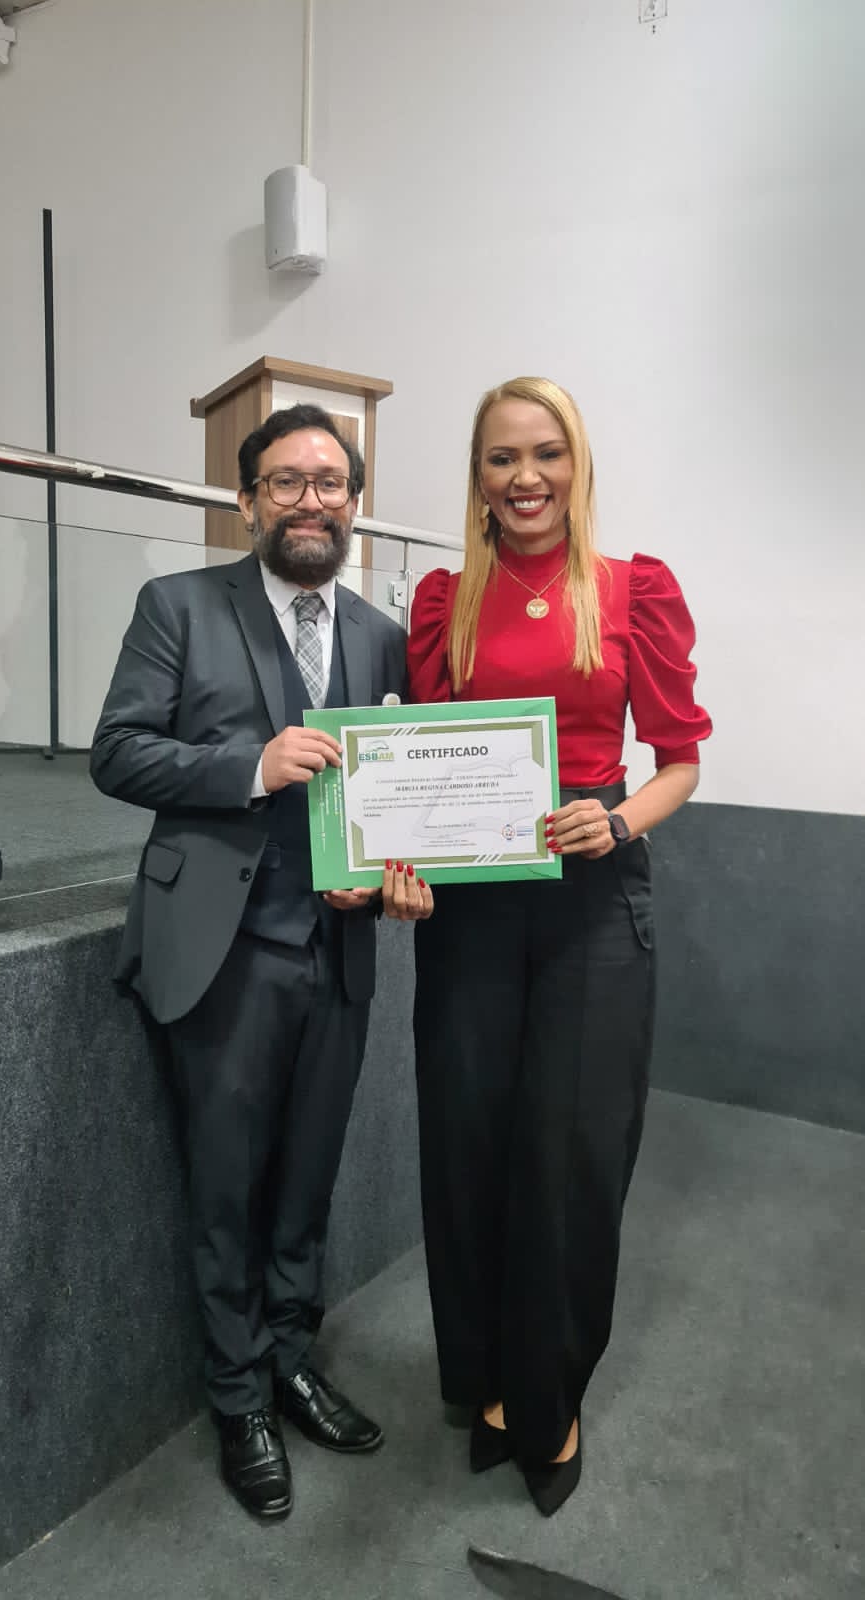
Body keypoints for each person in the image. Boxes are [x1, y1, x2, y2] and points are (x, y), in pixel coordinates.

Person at [91, 403, 431, 1521]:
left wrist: (392, 870)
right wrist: (250, 764)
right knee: (228, 1186)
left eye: (330, 483)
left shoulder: (382, 635)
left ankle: (291, 1357)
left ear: (354, 503)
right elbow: (117, 752)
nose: (309, 501)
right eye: (286, 482)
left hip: (339, 950)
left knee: (308, 1178)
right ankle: (238, 1398)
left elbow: (390, 789)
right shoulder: (179, 606)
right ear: (247, 502)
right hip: (223, 952)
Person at [407, 376, 712, 1517]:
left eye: (546, 453)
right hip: (472, 907)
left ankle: (550, 1399)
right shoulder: (445, 600)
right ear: (478, 476)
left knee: (571, 1157)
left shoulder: (634, 590)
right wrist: (398, 863)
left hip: (594, 898)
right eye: (501, 458)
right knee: (470, 1146)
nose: (525, 476)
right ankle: (487, 1377)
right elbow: (419, 762)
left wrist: (619, 819)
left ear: (577, 465)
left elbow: (680, 761)